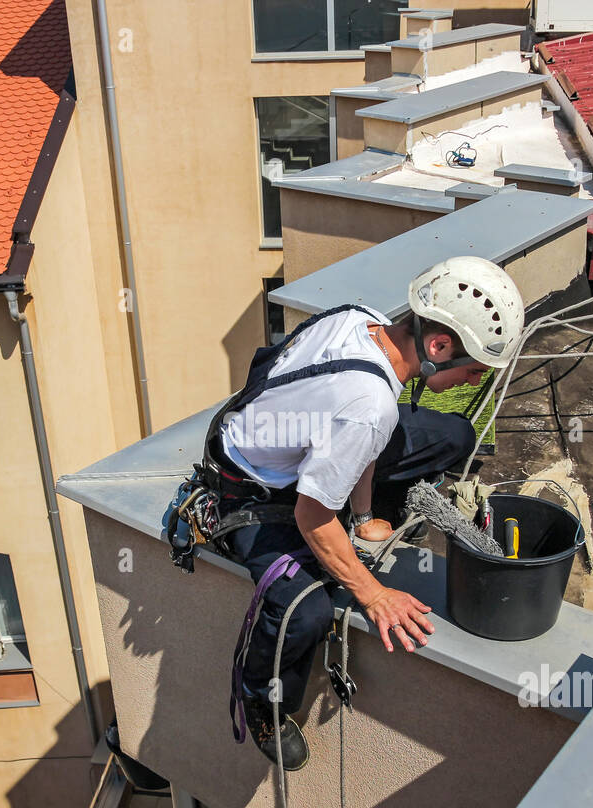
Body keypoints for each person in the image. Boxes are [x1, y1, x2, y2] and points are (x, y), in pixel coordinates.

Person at [214, 257, 525, 769]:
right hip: (254, 490)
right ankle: (262, 700)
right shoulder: (368, 404)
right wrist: (373, 594)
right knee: (304, 612)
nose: (472, 379)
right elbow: (312, 517)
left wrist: (362, 518)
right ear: (438, 346)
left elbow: (366, 434)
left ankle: (365, 509)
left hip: (310, 438)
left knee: (453, 435)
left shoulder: (363, 319)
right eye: (471, 369)